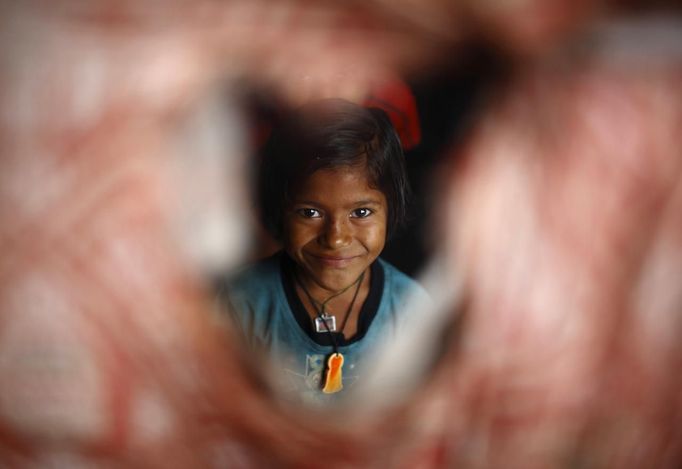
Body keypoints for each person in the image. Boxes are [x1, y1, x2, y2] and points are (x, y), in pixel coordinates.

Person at [219, 98, 429, 406]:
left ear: (391, 209)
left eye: (360, 212)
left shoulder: (412, 311)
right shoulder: (240, 305)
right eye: (310, 213)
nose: (336, 239)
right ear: (279, 210)